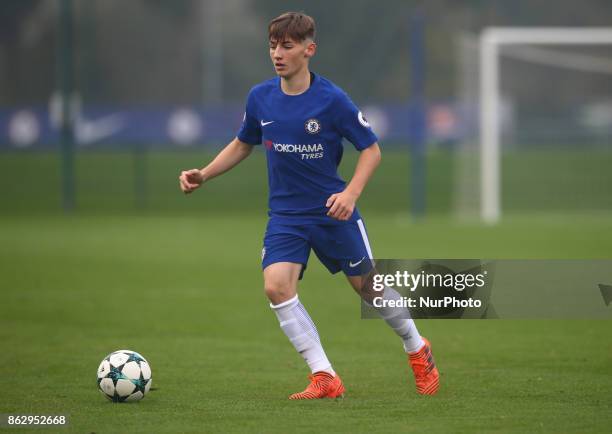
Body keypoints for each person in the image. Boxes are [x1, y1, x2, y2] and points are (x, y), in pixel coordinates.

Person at [179, 11, 439, 399]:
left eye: (286, 46)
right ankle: (324, 376)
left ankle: (417, 348)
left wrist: (350, 194)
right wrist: (205, 173)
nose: (277, 54)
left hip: (333, 212)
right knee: (276, 287)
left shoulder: (332, 100)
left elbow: (371, 150)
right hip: (285, 216)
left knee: (369, 289)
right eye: (272, 46)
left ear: (308, 49)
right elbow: (242, 143)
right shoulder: (260, 97)